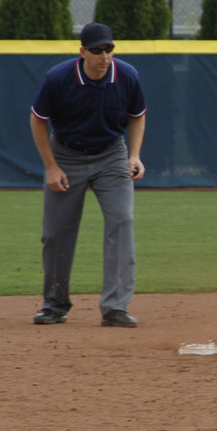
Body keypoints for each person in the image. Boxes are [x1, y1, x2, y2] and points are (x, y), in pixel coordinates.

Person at [29, 22, 147, 327]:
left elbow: (137, 116)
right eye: (97, 50)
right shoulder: (59, 78)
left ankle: (115, 308)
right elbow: (38, 120)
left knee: (122, 222)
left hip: (111, 156)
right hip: (66, 155)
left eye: (109, 49)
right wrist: (51, 167)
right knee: (56, 233)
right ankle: (54, 305)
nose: (104, 55)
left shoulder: (127, 76)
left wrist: (134, 155)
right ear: (82, 52)